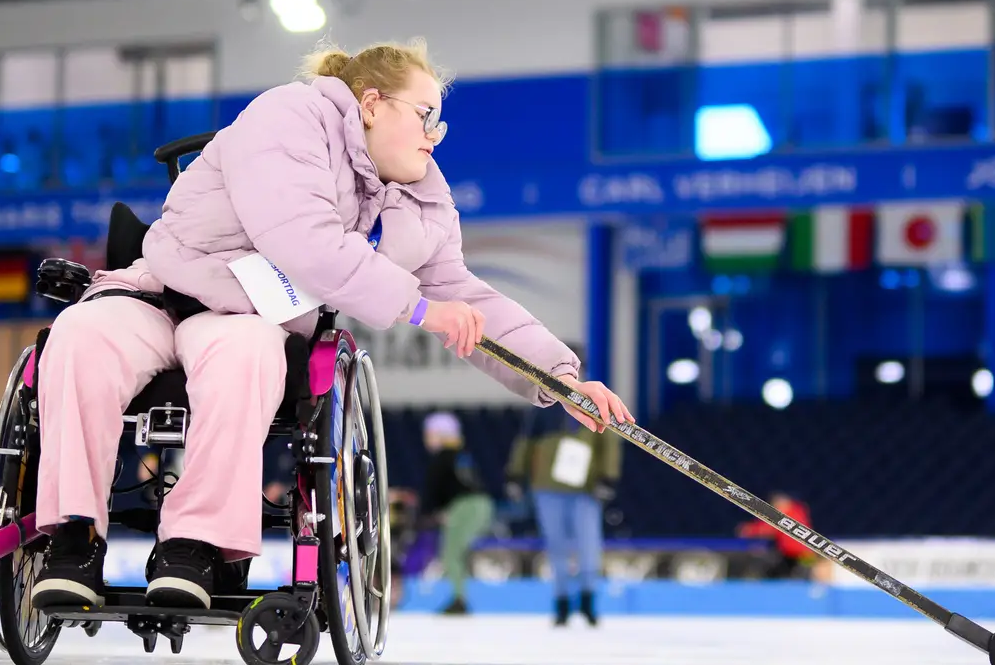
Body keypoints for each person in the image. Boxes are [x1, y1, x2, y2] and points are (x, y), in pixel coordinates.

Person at [31, 40, 633, 611]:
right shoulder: (290, 116)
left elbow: (468, 299)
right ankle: (72, 534)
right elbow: (302, 239)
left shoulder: (422, 201)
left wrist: (559, 378)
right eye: (424, 115)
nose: (433, 136)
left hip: (245, 316)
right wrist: (419, 309)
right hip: (162, 289)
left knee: (248, 355)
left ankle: (194, 545)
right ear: (371, 103)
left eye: (439, 125)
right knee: (81, 336)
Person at [506, 385, 621, 626]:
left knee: (588, 545)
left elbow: (608, 441)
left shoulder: (593, 400)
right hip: (548, 488)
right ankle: (562, 602)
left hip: (584, 490)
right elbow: (526, 441)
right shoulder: (542, 404)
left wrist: (607, 477)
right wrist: (515, 473)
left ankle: (588, 600)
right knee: (557, 546)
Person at [423, 411, 494, 615]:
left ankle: (459, 598)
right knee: (459, 552)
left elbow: (434, 487)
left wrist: (434, 511)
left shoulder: (443, 457)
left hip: (464, 507)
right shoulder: (463, 454)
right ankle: (460, 595)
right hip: (482, 503)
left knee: (451, 553)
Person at [737, 492, 817, 580]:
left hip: (797, 555)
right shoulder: (798, 511)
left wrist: (750, 530)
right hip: (801, 555)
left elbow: (769, 529)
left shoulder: (789, 515)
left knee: (766, 562)